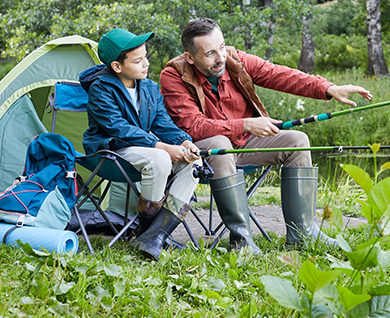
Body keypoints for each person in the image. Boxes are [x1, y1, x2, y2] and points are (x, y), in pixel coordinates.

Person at [160, 18, 372, 253]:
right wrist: (246, 124)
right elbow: (193, 126)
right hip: (206, 154)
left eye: (221, 47)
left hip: (245, 145)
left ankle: (303, 233)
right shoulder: (173, 75)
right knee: (221, 143)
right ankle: (242, 241)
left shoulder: (235, 60)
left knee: (297, 141)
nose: (220, 57)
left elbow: (279, 74)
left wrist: (328, 88)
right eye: (210, 53)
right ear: (190, 57)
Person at [79, 28, 201, 261]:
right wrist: (164, 147)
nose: (146, 63)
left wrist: (184, 142)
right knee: (160, 158)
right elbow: (118, 128)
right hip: (110, 152)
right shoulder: (101, 89)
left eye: (145, 56)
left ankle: (155, 236)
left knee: (195, 162)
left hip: (144, 151)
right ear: (117, 66)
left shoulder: (149, 88)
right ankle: (148, 232)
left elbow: (163, 124)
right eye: (138, 60)